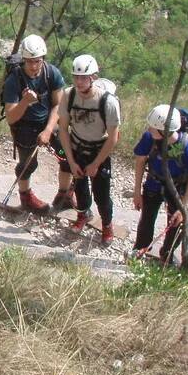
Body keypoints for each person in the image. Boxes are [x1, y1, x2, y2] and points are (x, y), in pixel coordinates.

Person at [57, 55, 121, 242]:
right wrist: (70, 160)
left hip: (98, 150)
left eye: (83, 77)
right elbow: (63, 129)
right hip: (77, 147)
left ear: (94, 77)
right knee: (80, 188)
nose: (79, 81)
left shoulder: (108, 102)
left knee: (102, 195)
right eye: (76, 77)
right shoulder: (69, 96)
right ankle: (83, 214)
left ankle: (107, 224)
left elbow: (113, 137)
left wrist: (96, 163)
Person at [2, 34, 67, 214]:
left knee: (66, 156)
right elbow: (11, 117)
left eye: (37, 61)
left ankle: (64, 195)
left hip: (49, 123)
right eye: (29, 61)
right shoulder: (14, 80)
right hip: (24, 126)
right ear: (23, 59)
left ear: (43, 59)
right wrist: (24, 102)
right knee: (27, 164)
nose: (33, 66)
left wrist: (48, 130)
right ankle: (25, 196)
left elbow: (58, 105)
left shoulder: (51, 73)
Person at [132, 105, 188, 265]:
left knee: (175, 223)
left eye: (153, 127)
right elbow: (140, 161)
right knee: (147, 219)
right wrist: (137, 192)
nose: (149, 128)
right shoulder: (149, 138)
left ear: (164, 131)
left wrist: (182, 207)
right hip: (153, 184)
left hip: (176, 189)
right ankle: (141, 248)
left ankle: (167, 252)